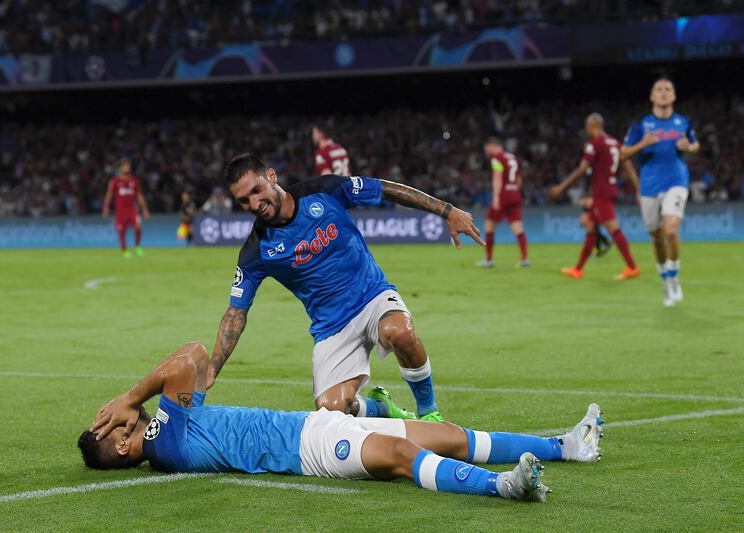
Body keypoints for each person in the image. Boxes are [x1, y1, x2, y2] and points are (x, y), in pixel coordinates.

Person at [82, 342, 604, 503]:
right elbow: (188, 357)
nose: (118, 419)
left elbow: (194, 357)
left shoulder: (171, 430)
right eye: (111, 426)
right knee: (401, 458)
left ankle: (566, 446)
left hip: (311, 427)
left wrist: (134, 402)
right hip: (308, 453)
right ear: (124, 447)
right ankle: (506, 488)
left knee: (449, 437)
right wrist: (131, 396)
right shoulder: (162, 436)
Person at [210, 154, 486, 423]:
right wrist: (213, 368)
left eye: (257, 190)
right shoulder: (257, 250)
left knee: (399, 332)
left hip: (372, 296)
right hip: (331, 326)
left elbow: (385, 189)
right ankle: (381, 409)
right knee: (330, 412)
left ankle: (429, 413)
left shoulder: (324, 191)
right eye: (244, 200)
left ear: (271, 176)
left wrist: (447, 211)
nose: (255, 203)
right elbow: (236, 313)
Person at [621, 78, 700, 306]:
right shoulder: (641, 125)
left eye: (668, 89)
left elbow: (695, 144)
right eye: (659, 90)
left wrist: (690, 147)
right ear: (652, 97)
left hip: (676, 181)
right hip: (649, 186)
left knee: (671, 230)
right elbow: (624, 153)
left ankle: (674, 276)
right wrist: (643, 144)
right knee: (656, 238)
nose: (663, 93)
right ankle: (665, 281)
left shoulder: (683, 122)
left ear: (674, 96)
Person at [551, 113, 640, 280]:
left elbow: (582, 170)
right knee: (591, 228)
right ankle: (578, 269)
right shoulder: (615, 143)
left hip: (601, 193)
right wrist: (638, 188)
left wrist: (561, 187)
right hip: (609, 189)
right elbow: (627, 165)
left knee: (613, 229)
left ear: (591, 127)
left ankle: (632, 267)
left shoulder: (593, 144)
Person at [478, 137, 529, 268]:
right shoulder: (511, 157)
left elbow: (497, 178)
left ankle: (489, 260)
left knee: (489, 225)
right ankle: (525, 259)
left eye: (486, 149)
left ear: (491, 146)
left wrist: (496, 197)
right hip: (515, 194)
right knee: (518, 227)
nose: (486, 152)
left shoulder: (496, 158)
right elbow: (518, 179)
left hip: (503, 196)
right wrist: (514, 190)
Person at [102, 158, 150, 258]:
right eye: (125, 166)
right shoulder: (115, 181)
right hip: (121, 210)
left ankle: (137, 247)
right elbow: (109, 194)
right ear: (120, 168)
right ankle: (124, 250)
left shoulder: (134, 181)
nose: (127, 168)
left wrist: (144, 209)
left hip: (132, 209)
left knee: (138, 227)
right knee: (122, 230)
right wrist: (106, 207)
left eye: (128, 166)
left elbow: (139, 195)